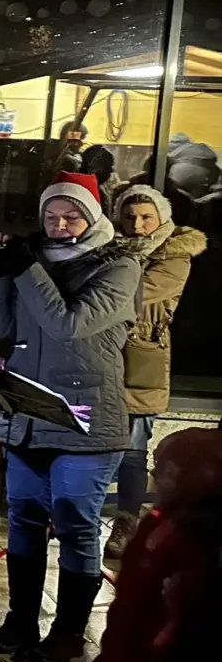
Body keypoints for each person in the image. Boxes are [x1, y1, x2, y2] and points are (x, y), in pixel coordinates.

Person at [0, 170, 141, 662]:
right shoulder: (34, 262)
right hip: (28, 414)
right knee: (24, 522)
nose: (60, 226)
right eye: (51, 216)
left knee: (74, 523)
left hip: (86, 422)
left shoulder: (120, 268)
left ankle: (68, 631)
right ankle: (20, 620)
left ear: (92, 218)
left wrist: (25, 267)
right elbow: (3, 326)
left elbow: (68, 325)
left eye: (72, 216)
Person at [89, 427, 222, 662]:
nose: (157, 479)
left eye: (163, 471)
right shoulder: (168, 529)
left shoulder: (168, 533)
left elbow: (133, 607)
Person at [103, 185, 204, 559]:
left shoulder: (176, 254)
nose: (137, 225)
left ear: (162, 217)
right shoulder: (108, 246)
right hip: (102, 353)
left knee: (131, 449)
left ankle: (126, 521)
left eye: (147, 217)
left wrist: (98, 282)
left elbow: (136, 294)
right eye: (129, 217)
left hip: (141, 360)